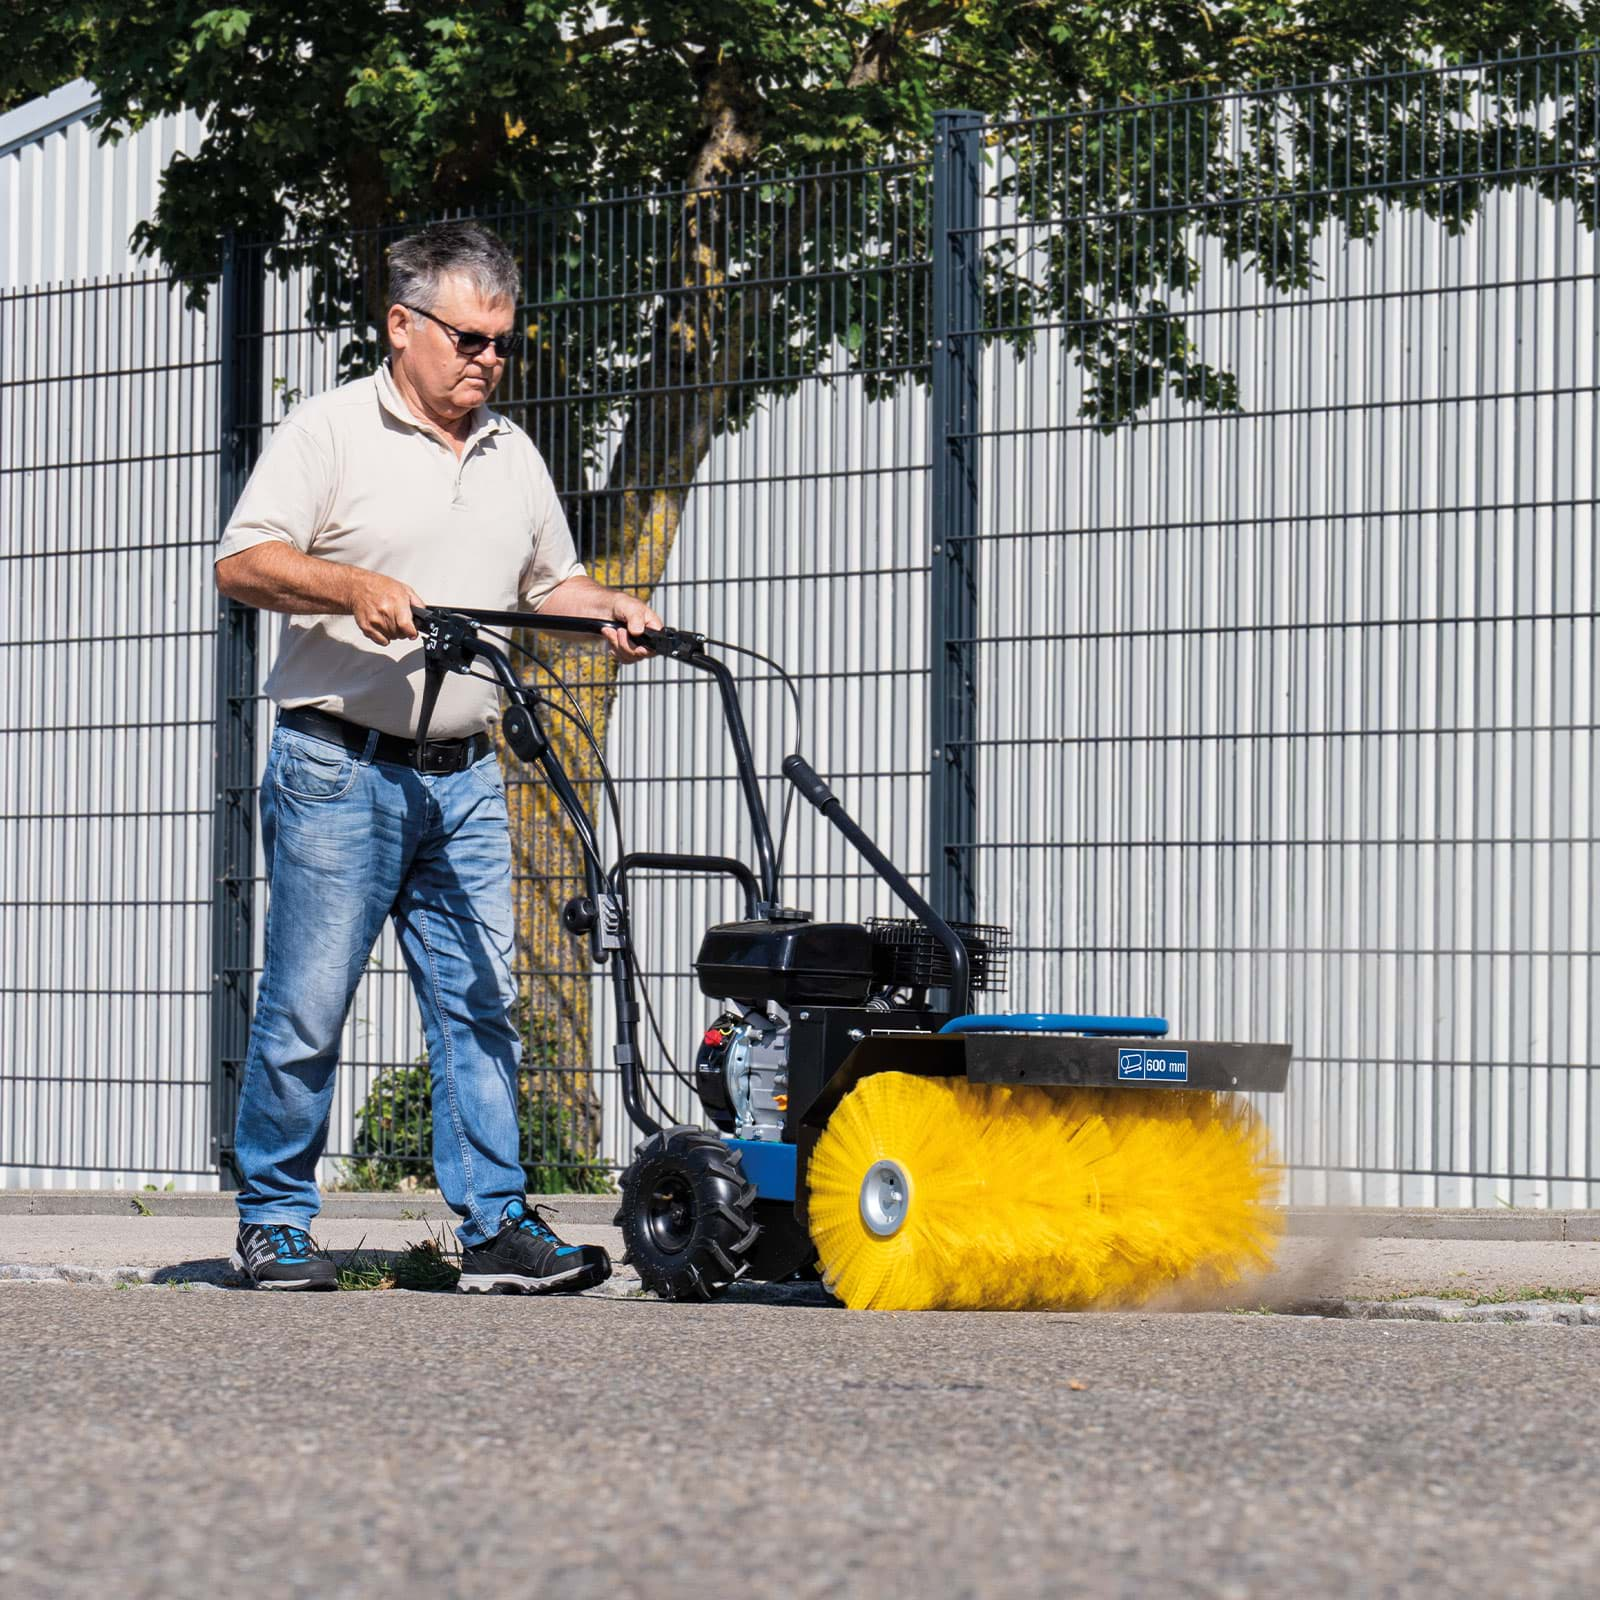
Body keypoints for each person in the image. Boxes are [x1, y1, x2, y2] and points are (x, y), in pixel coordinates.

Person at [214, 220, 660, 1292]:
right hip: (339, 765)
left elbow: (544, 582)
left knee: (479, 1003)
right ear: (400, 325)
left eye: (503, 341)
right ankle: (275, 1219)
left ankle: (496, 1225)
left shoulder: (511, 452)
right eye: (468, 337)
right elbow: (244, 561)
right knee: (309, 1002)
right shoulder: (331, 432)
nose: (488, 360)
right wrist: (346, 585)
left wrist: (605, 606)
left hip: (463, 774)